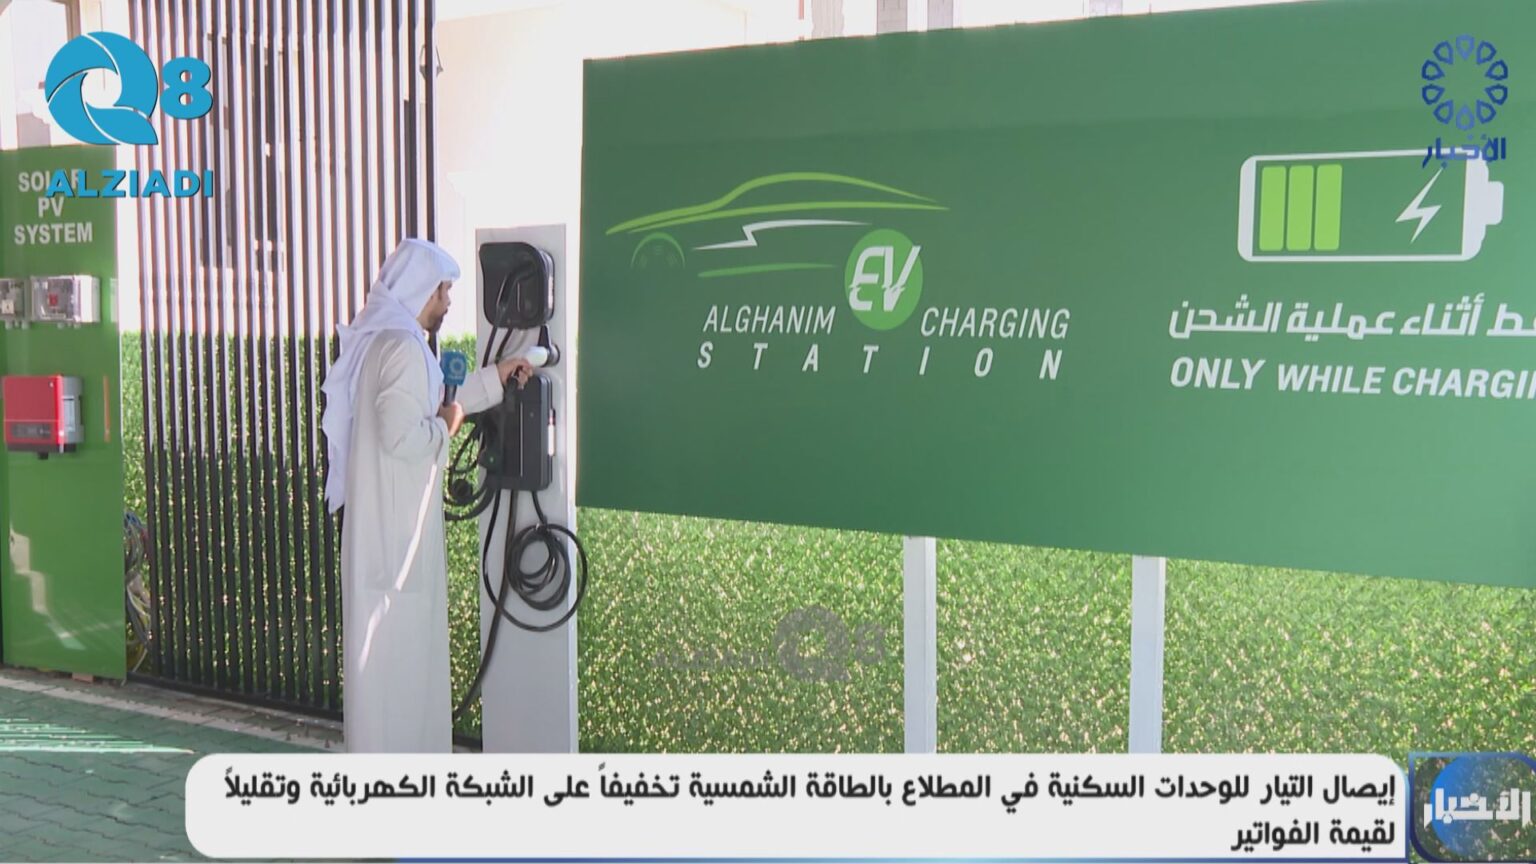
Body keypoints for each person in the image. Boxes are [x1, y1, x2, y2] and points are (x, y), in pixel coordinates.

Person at [320, 238, 530, 753]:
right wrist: (446, 428)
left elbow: (438, 399)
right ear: (422, 290)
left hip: (384, 541)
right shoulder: (402, 347)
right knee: (402, 673)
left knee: (390, 673)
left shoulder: (388, 343)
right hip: (395, 550)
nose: (448, 302)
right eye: (443, 291)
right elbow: (405, 435)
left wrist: (497, 377)